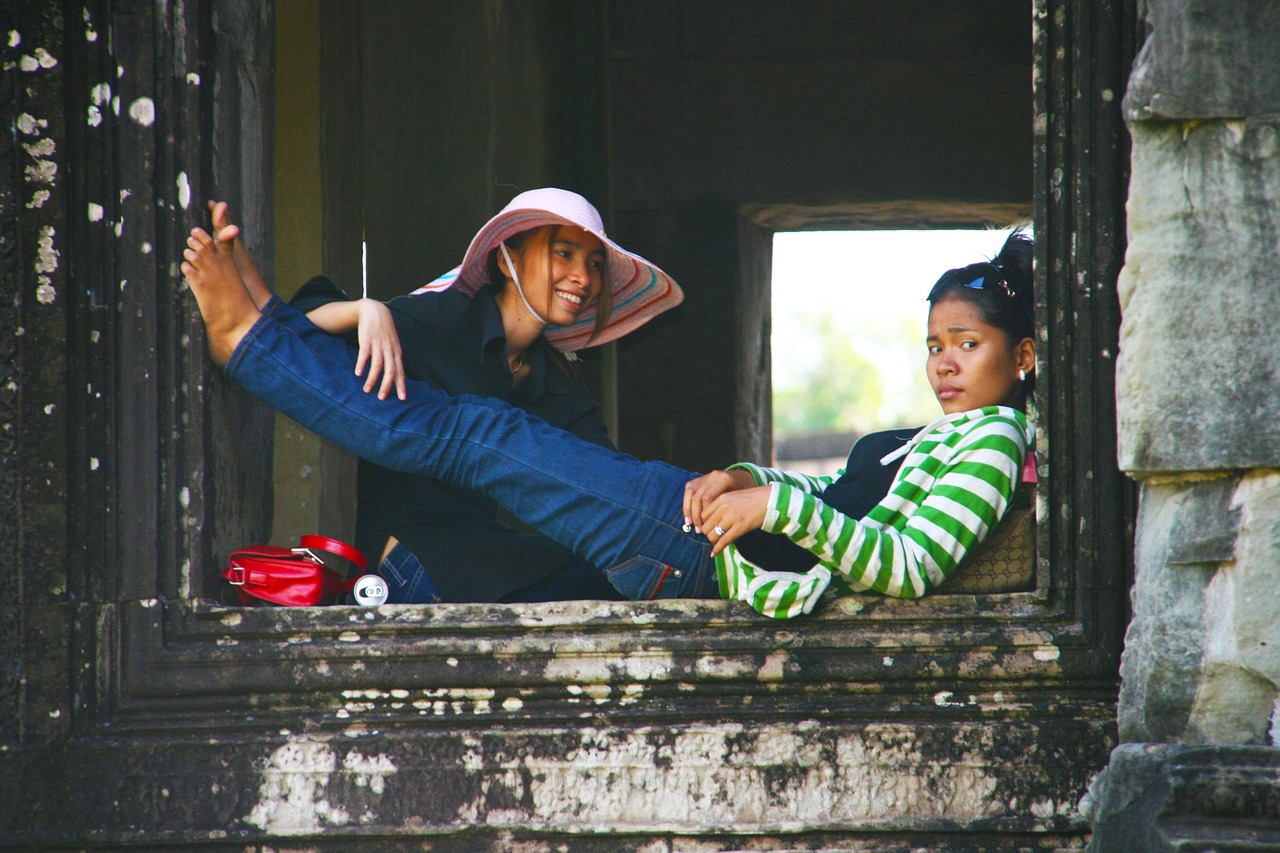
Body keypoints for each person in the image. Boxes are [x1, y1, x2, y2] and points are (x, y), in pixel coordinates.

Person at [181, 221, 1036, 620]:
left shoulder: (997, 439)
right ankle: (264, 330)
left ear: (1024, 358)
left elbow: (908, 563)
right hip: (712, 530)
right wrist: (756, 480)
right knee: (481, 430)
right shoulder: (939, 438)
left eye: (969, 344)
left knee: (480, 434)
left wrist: (774, 511)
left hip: (717, 557)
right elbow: (845, 503)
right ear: (509, 258)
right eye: (935, 344)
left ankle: (252, 342)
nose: (946, 363)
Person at [209, 189, 684, 604]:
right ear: (507, 259)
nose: (583, 277)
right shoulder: (443, 320)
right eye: (564, 254)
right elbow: (301, 350)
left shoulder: (557, 382)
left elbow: (609, 485)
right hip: (409, 562)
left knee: (622, 571)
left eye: (594, 263)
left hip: (485, 557)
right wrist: (363, 310)